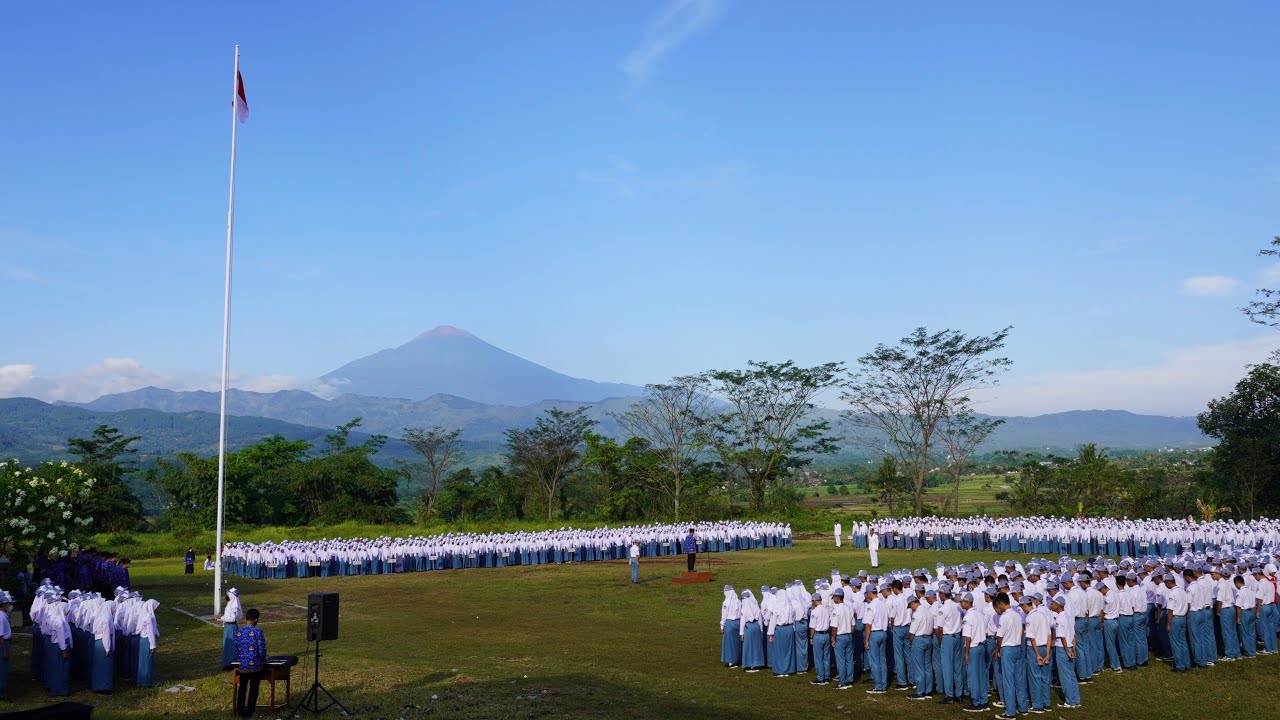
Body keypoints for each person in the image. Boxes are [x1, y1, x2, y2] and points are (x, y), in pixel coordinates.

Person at [234, 609, 267, 718]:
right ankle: (250, 711)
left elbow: (236, 648)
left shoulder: (238, 632)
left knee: (242, 688)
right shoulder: (258, 631)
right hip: (255, 665)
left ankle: (240, 710)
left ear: (246, 618)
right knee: (253, 688)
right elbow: (261, 649)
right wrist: (263, 659)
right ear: (256, 620)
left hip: (243, 665)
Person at [809, 592, 833, 686]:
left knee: (818, 658)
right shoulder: (826, 610)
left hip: (818, 635)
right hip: (826, 635)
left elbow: (813, 627)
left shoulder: (814, 612)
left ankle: (820, 678)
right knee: (826, 657)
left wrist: (811, 637)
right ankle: (827, 676)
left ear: (815, 601)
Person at [217, 588, 244, 669]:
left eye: (228, 594)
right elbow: (228, 616)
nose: (227, 595)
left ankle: (231, 663)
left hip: (231, 627)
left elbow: (232, 619)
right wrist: (219, 618)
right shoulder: (230, 604)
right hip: (228, 627)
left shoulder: (233, 606)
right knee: (227, 645)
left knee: (231, 645)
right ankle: (227, 662)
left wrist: (221, 618)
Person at [720, 586, 742, 668]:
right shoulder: (739, 602)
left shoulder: (726, 603)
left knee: (729, 643)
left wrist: (722, 625)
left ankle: (730, 662)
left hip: (729, 623)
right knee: (736, 643)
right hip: (738, 623)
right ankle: (737, 659)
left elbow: (724, 615)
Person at [0, 591, 11, 700]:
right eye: (7, 604)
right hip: (3, 644)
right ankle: (1, 694)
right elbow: (1, 637)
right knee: (2, 669)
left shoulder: (3, 616)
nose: (9, 606)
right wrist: (5, 651)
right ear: (3, 605)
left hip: (4, 643)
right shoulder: (1, 617)